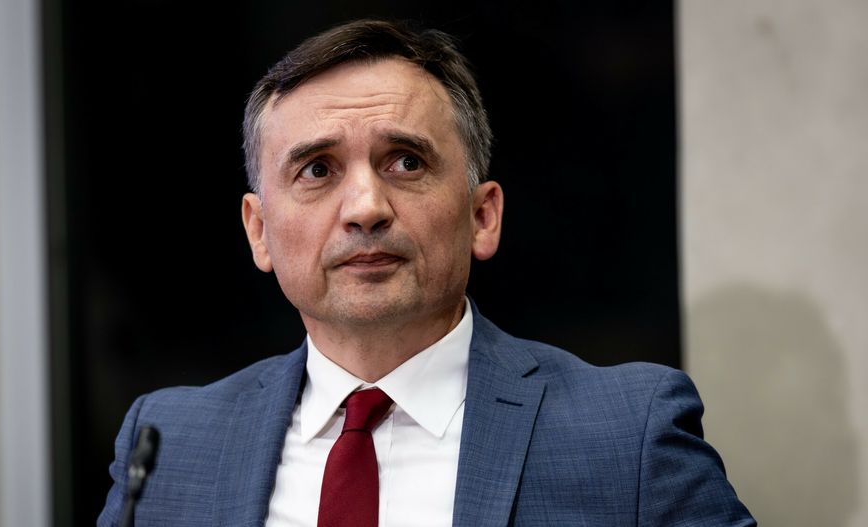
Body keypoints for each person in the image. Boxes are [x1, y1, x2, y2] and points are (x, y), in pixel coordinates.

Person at [98, 19, 755, 526]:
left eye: (405, 162)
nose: (365, 208)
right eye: (318, 169)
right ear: (259, 230)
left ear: (482, 216)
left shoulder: (629, 435)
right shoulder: (171, 445)